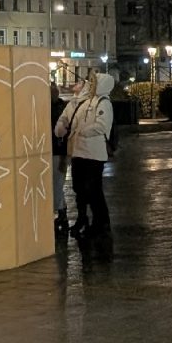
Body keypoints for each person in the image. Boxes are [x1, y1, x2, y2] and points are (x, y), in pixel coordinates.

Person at [54, 73, 115, 239]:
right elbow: (71, 119)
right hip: (79, 152)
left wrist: (82, 131)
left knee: (93, 190)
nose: (90, 84)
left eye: (94, 82)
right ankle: (85, 220)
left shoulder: (103, 103)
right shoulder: (86, 102)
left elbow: (101, 125)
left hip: (94, 154)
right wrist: (64, 127)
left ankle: (101, 222)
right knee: (79, 188)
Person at [49, 89, 70, 236]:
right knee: (55, 186)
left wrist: (64, 156)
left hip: (57, 153)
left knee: (57, 185)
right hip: (52, 152)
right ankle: (61, 214)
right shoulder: (57, 109)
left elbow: (64, 135)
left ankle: (60, 215)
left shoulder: (60, 111)